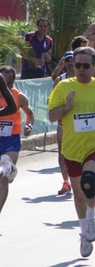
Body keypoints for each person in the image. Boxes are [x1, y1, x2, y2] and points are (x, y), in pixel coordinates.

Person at [48, 47, 95, 257]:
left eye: (85, 66)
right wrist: (66, 107)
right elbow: (52, 116)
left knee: (89, 181)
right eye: (76, 65)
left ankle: (92, 217)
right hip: (72, 149)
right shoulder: (63, 87)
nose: (80, 69)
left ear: (93, 67)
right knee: (79, 193)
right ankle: (84, 231)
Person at [0, 66, 34, 214]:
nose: (5, 87)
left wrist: (29, 125)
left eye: (9, 83)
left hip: (11, 139)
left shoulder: (19, 97)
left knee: (3, 180)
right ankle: (10, 170)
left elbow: (30, 114)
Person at [52, 51, 75, 195]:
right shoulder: (60, 80)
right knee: (62, 151)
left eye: (73, 60)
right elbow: (53, 102)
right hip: (63, 120)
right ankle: (66, 182)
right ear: (65, 63)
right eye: (68, 61)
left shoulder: (84, 78)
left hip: (79, 120)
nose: (71, 63)